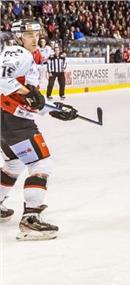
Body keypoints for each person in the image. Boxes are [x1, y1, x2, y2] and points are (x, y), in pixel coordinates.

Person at [0, 20, 78, 240]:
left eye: (37, 34)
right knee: (40, 163)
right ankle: (30, 220)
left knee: (13, 164)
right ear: (18, 37)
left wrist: (53, 109)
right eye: (29, 35)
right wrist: (28, 92)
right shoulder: (17, 53)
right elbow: (2, 79)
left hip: (7, 118)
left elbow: (29, 98)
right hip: (14, 120)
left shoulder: (25, 56)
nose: (35, 39)